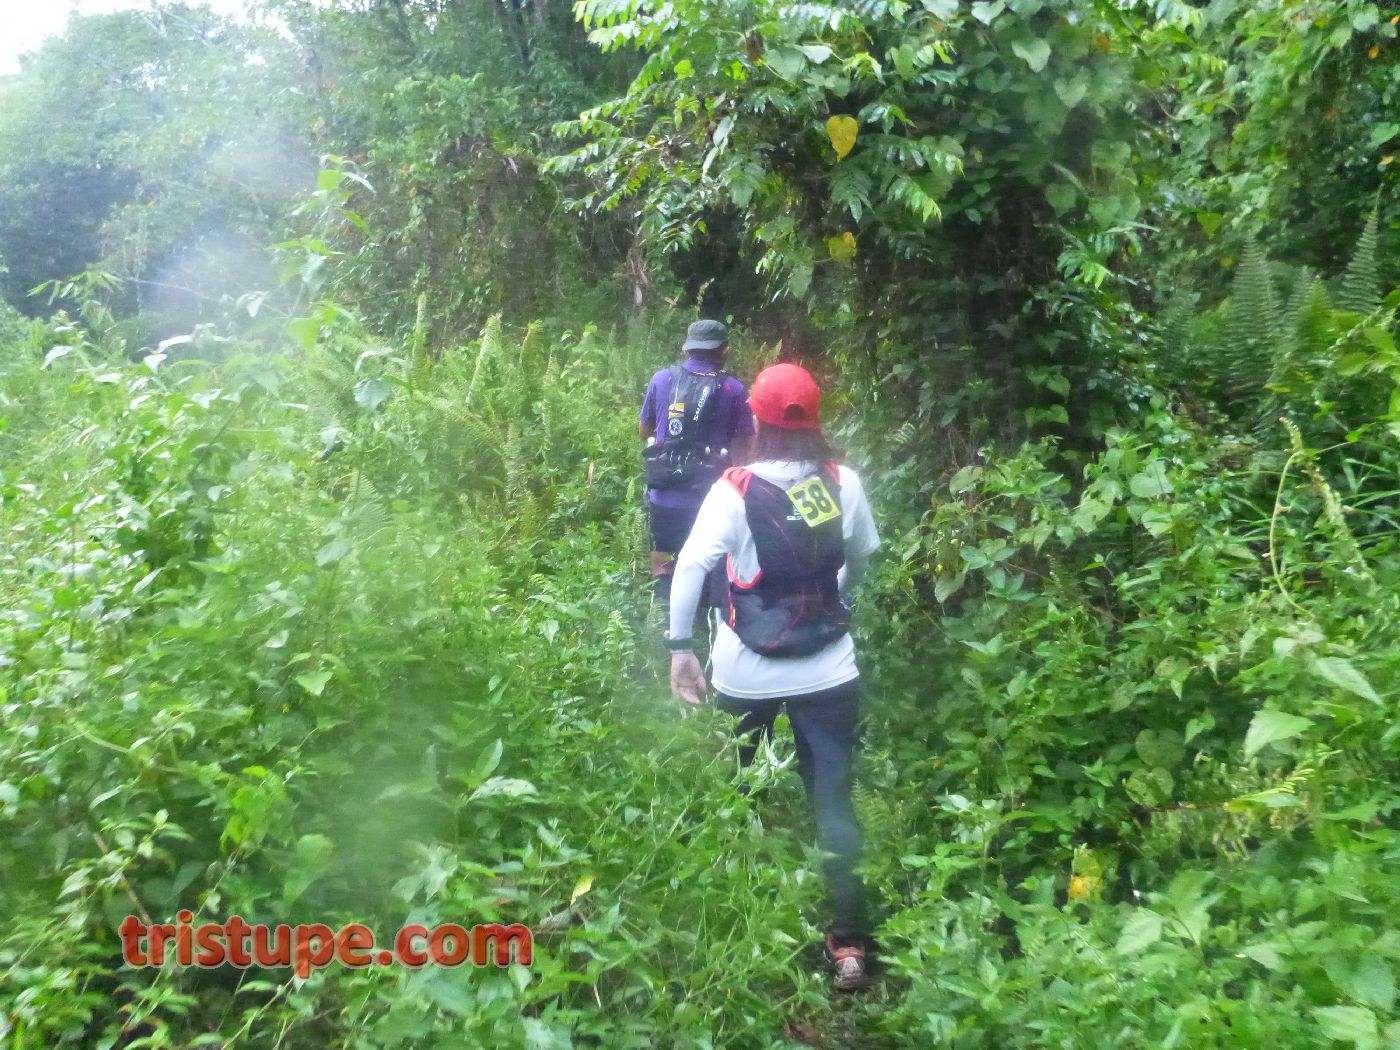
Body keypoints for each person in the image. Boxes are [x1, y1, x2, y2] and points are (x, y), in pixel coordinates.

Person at [662, 362, 880, 992]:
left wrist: (680, 649)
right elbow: (861, 557)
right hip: (830, 668)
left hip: (744, 671)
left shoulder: (734, 489)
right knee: (833, 800)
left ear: (754, 420)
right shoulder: (842, 482)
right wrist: (838, 598)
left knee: (742, 788)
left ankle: (745, 914)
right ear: (817, 419)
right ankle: (849, 944)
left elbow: (690, 567)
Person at [639, 319, 754, 613]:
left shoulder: (661, 379)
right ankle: (709, 622)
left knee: (664, 563)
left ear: (686, 350)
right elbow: (744, 450)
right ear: (725, 350)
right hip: (712, 498)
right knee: (712, 563)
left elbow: (644, 430)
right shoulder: (734, 389)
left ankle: (665, 622)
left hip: (665, 493)